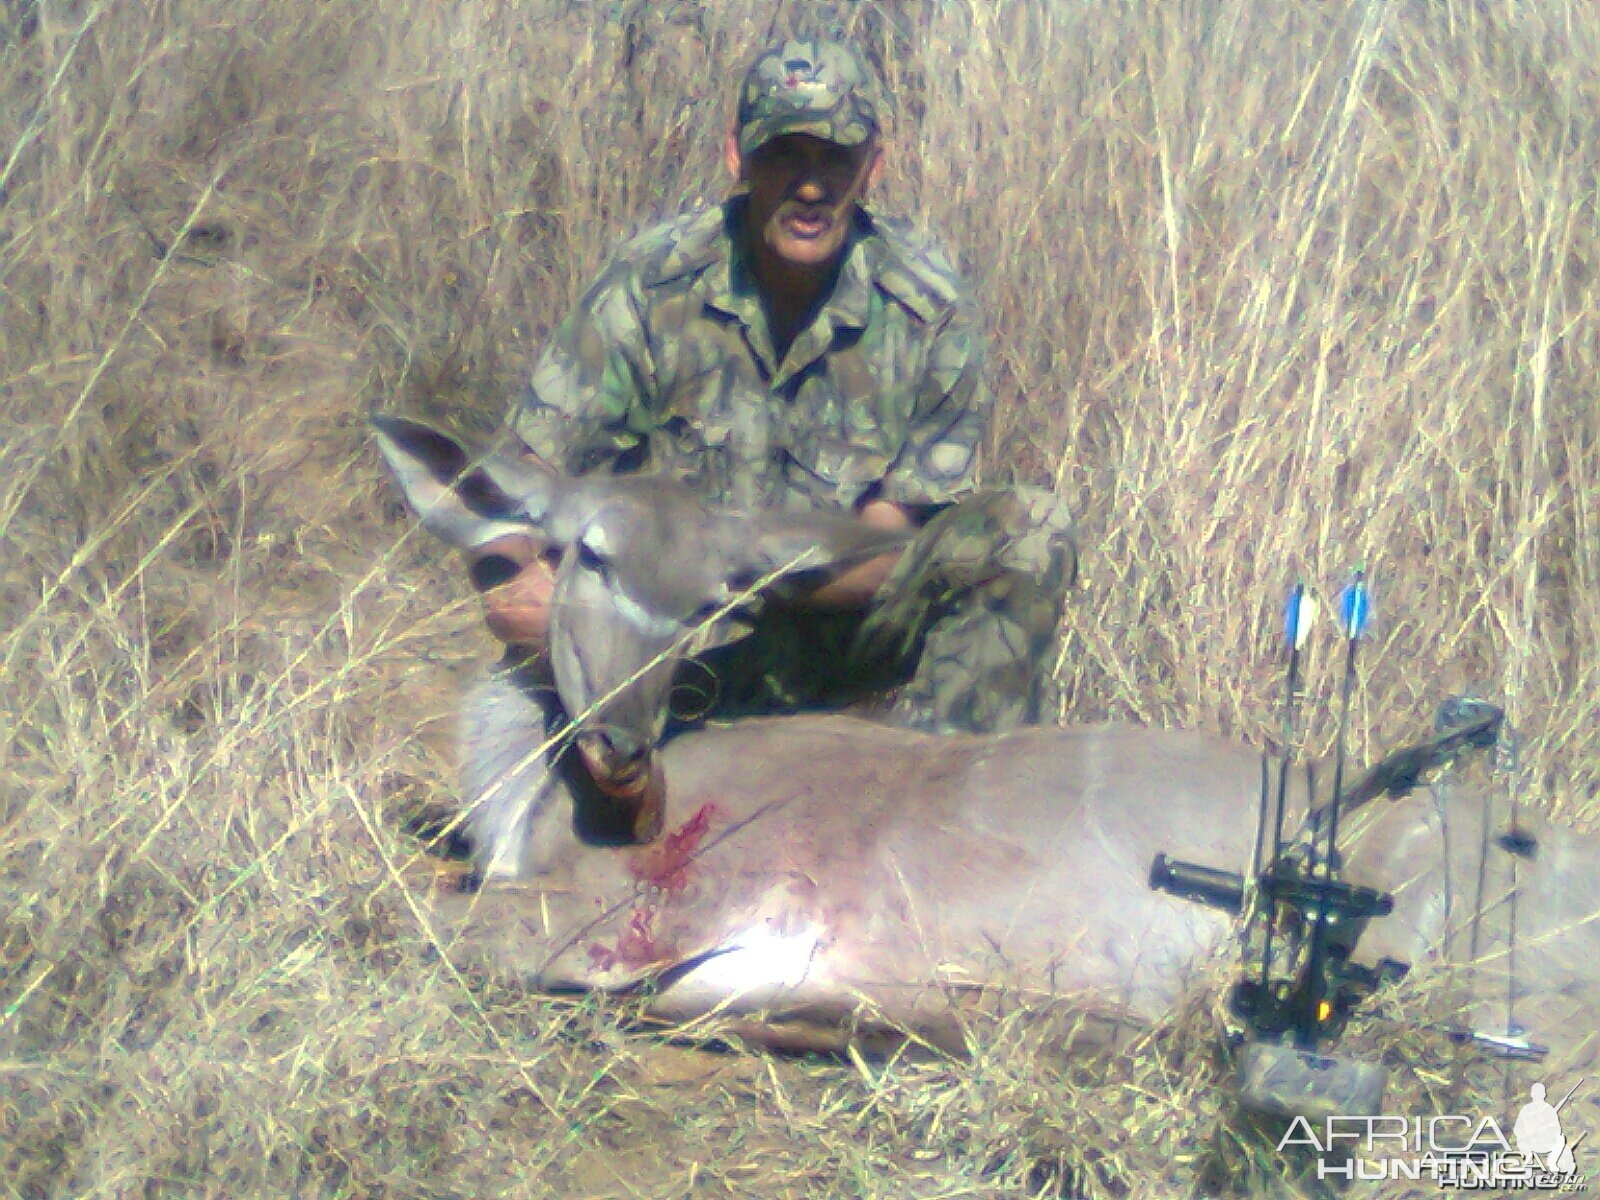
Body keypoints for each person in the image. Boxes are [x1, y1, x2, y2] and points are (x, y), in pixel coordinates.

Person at [479, 38, 1075, 737]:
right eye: (786, 153)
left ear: (873, 166)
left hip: (835, 620)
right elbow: (526, 471)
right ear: (739, 156)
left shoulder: (927, 306)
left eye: (835, 158)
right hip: (663, 627)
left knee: (1030, 531)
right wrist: (512, 587)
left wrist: (743, 571)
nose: (812, 185)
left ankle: (947, 795)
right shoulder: (652, 283)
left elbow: (887, 539)